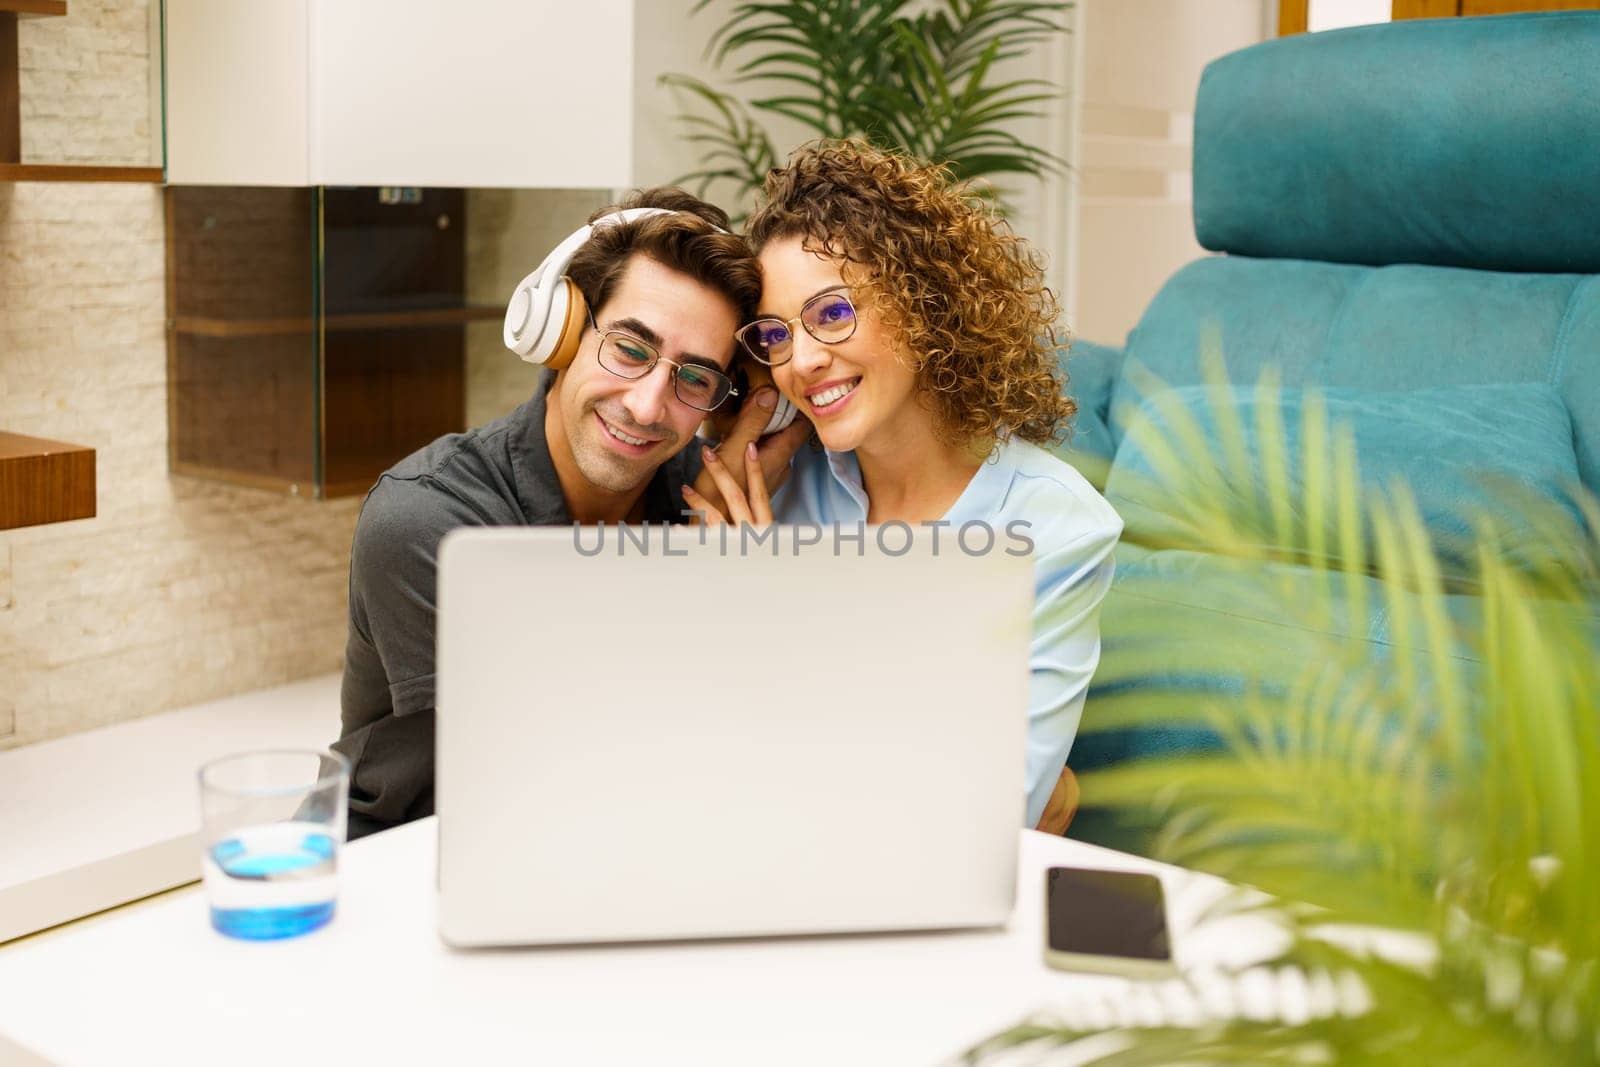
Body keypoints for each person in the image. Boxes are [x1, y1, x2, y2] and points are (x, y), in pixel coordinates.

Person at [335, 188, 810, 839]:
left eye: (694, 379)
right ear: (557, 333)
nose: (647, 406)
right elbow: (550, 768)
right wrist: (706, 595)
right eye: (629, 348)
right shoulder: (428, 523)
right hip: (402, 865)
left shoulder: (704, 507)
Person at [686, 141, 1124, 829]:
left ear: (923, 304)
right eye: (775, 334)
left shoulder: (1060, 530)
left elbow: (987, 814)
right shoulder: (770, 485)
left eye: (833, 314)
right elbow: (689, 741)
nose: (801, 361)